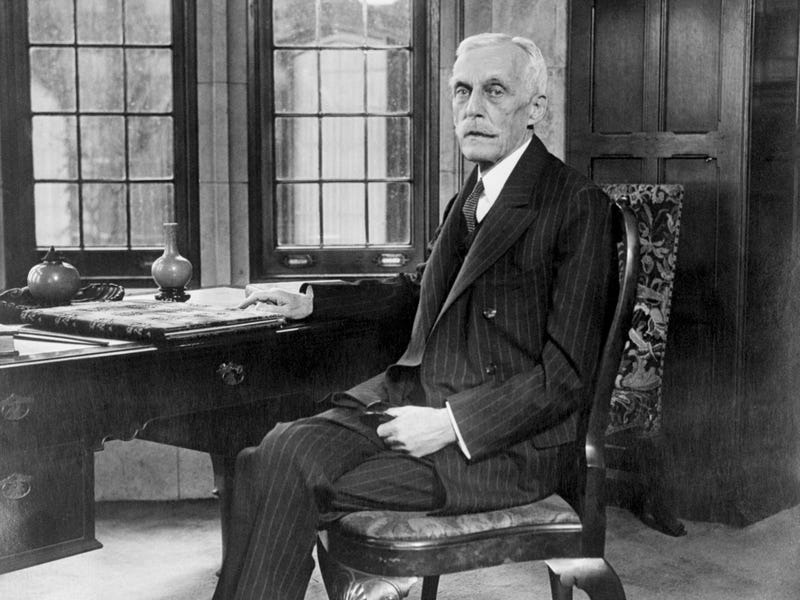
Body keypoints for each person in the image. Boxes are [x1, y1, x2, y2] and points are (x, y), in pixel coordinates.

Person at [213, 32, 616, 600]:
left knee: (276, 473)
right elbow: (417, 292)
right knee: (273, 453)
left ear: (535, 110)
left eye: (495, 91)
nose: (472, 108)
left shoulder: (576, 205)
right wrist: (314, 301)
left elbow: (566, 377)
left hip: (499, 448)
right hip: (416, 404)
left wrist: (449, 425)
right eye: (462, 91)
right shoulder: (469, 198)